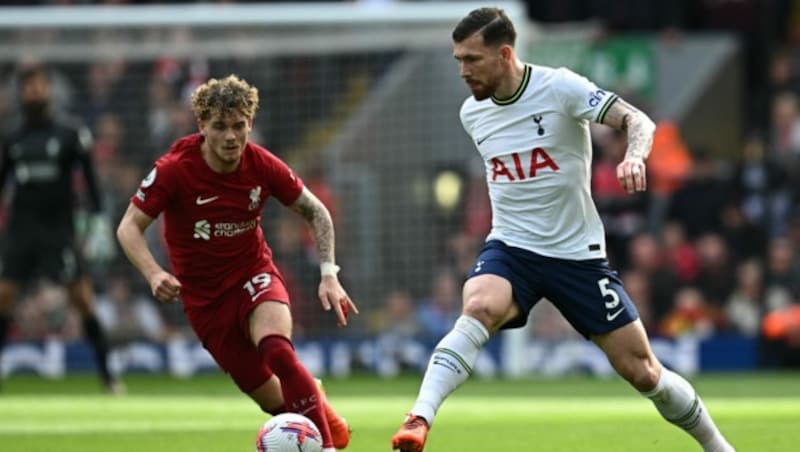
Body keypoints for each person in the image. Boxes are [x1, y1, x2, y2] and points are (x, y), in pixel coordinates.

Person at [391, 8, 735, 452]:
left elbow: (638, 120)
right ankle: (419, 418)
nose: (463, 71)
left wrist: (633, 155)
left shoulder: (559, 88)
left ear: (505, 53)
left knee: (643, 372)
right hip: (512, 247)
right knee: (478, 306)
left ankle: (718, 447)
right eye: (458, 60)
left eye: (472, 60)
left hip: (577, 257)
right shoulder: (472, 115)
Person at [116, 74, 357, 452]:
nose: (231, 136)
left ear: (250, 124)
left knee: (278, 350)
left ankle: (325, 448)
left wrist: (329, 274)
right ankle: (321, 409)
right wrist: (153, 273)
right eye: (220, 126)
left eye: (239, 126)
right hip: (205, 301)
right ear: (202, 127)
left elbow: (317, 212)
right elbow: (129, 227)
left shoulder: (262, 165)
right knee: (274, 402)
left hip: (253, 275)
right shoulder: (175, 169)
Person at [0, 64, 120, 393]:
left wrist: (97, 221)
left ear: (48, 88)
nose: (34, 91)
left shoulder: (69, 132)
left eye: (39, 85)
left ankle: (109, 376)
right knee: (4, 297)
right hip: (21, 232)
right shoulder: (12, 137)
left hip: (58, 232)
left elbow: (91, 179)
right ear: (21, 92)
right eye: (28, 86)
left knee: (82, 300)